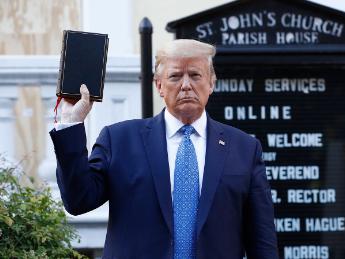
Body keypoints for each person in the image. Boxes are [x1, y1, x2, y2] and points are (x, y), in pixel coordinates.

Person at [50, 39, 278, 258]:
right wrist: (71, 123)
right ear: (159, 85)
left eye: (195, 75)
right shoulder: (120, 140)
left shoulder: (244, 149)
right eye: (176, 76)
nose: (186, 85)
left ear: (211, 83)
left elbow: (262, 241)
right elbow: (78, 200)